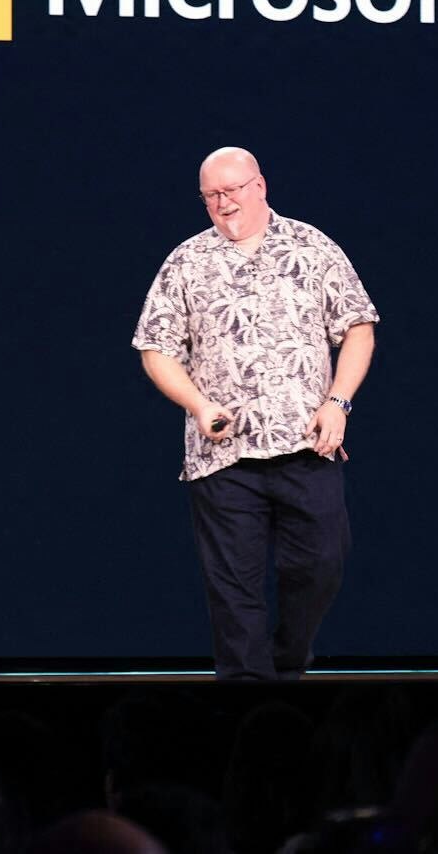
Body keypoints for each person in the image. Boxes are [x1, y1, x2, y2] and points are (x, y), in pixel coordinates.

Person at [133, 146, 378, 681]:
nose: (223, 204)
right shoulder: (187, 261)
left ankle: (288, 661)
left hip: (308, 445)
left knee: (321, 565)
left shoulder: (311, 247)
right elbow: (155, 348)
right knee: (234, 591)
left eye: (232, 191)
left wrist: (337, 401)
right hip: (225, 455)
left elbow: (358, 326)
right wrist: (198, 404)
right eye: (211, 196)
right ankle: (247, 695)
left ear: (260, 186)